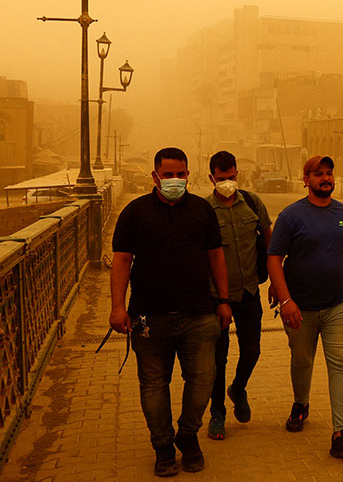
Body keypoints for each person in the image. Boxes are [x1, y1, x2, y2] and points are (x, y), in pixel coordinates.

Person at [109, 147, 232, 477]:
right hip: (149, 317)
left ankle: (188, 435)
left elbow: (216, 257)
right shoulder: (135, 213)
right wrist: (118, 307)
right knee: (153, 385)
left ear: (188, 175)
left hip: (199, 315)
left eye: (181, 175)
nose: (175, 180)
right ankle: (163, 447)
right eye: (168, 175)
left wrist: (223, 300)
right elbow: (121, 260)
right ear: (155, 176)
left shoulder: (203, 211)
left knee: (204, 379)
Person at [267, 155, 343, 459]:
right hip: (300, 307)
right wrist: (285, 301)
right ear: (306, 180)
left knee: (341, 364)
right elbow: (274, 259)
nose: (326, 178)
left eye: (329, 173)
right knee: (302, 360)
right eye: (318, 174)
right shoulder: (291, 216)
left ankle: (342, 432)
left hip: (339, 303)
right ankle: (301, 404)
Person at [204, 151, 273, 440]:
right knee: (217, 359)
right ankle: (217, 413)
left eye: (231, 177)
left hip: (249, 291)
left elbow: (270, 243)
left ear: (237, 174)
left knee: (252, 350)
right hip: (216, 297)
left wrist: (278, 285)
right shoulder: (204, 209)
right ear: (211, 178)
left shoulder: (253, 202)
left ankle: (239, 388)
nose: (228, 183)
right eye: (221, 179)